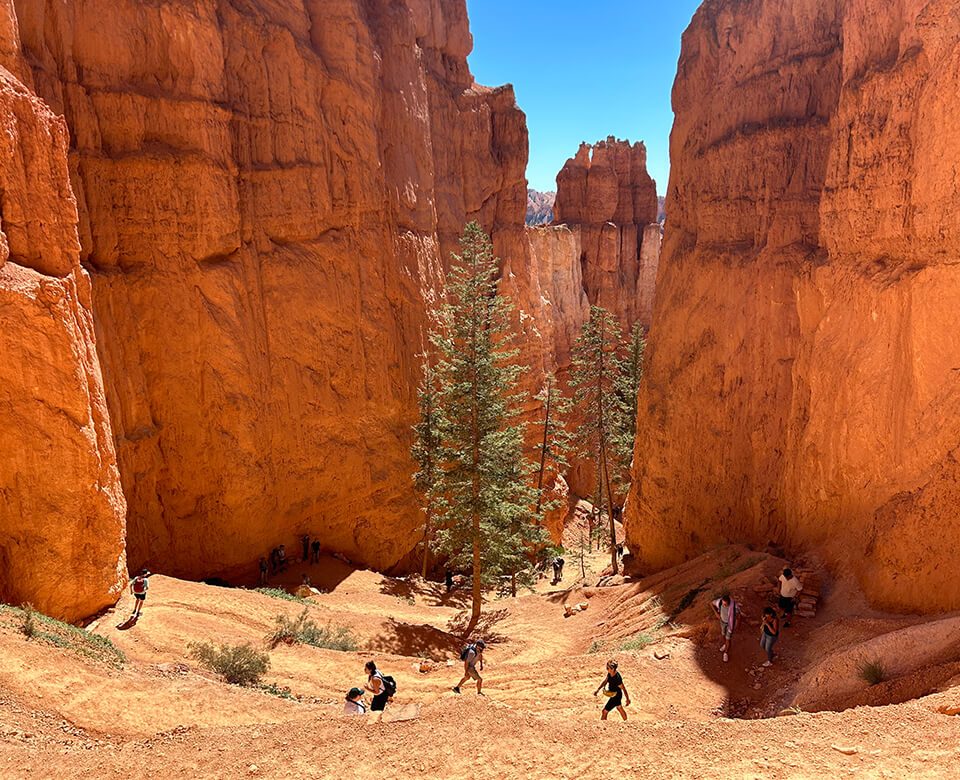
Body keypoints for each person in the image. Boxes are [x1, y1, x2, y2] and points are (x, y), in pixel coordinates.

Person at [711, 593, 739, 663]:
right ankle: (725, 645)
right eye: (723, 604)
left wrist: (737, 624)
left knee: (728, 638)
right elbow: (711, 603)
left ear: (729, 603)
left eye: (725, 604)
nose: (724, 605)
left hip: (730, 624)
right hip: (722, 622)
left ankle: (726, 653)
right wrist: (716, 613)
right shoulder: (720, 602)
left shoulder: (734, 606)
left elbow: (738, 615)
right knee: (723, 635)